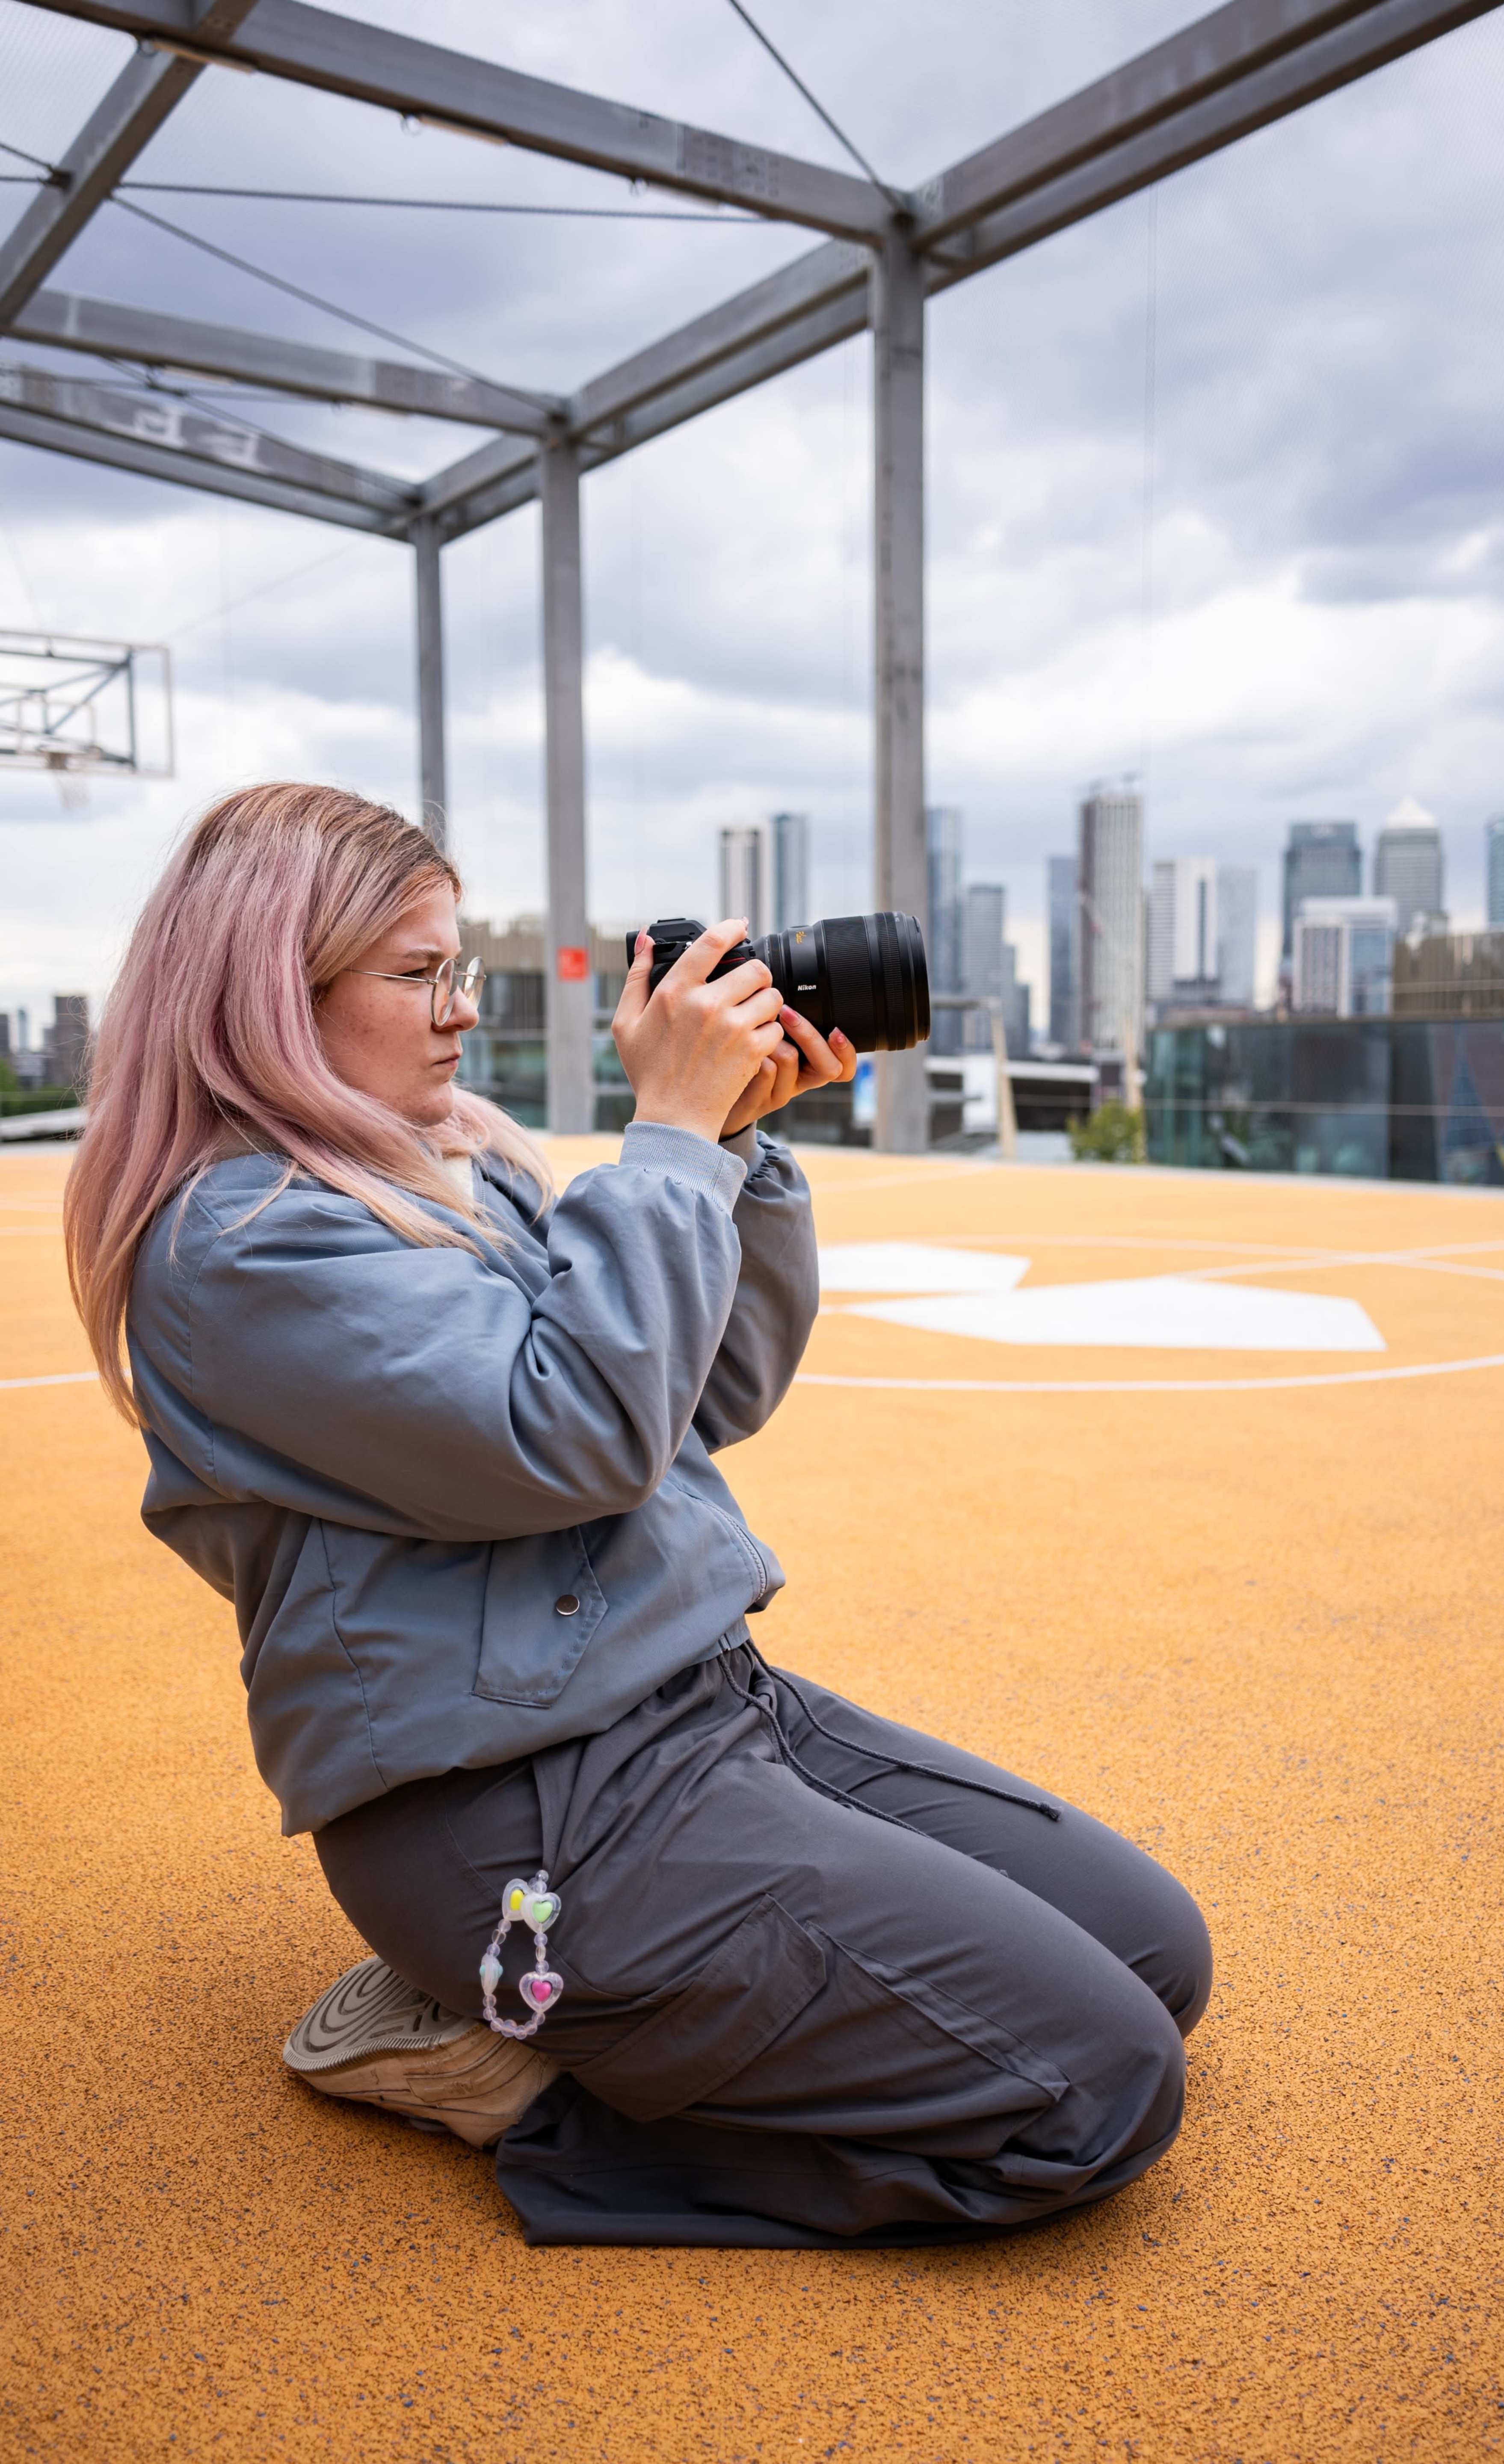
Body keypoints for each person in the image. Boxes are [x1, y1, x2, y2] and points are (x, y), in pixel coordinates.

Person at [64, 781, 1211, 2250]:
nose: (459, 1011)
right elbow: (578, 1436)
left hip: (706, 1707)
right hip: (515, 1806)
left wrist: (730, 1145)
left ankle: (618, 2014)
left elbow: (707, 1392)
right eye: (420, 974)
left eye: (457, 969)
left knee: (1151, 1952)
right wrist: (662, 1138)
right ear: (268, 997)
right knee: (1096, 2091)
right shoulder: (237, 1243)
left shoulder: (457, 1164)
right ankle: (519, 2083)